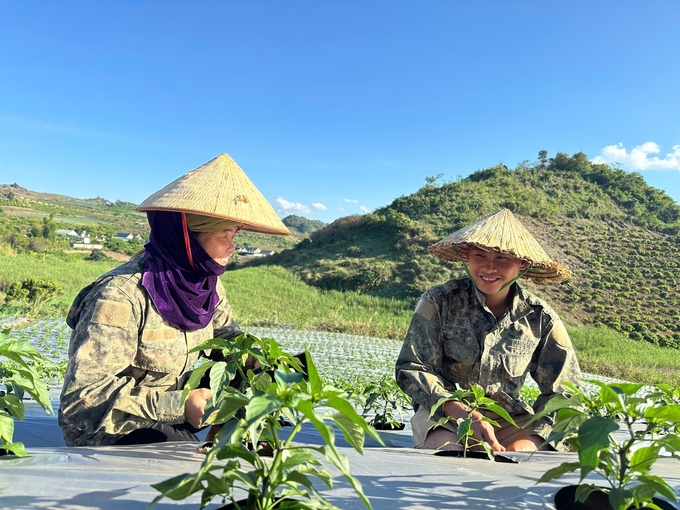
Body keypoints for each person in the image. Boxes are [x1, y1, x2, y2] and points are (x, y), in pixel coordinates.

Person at [58, 154, 291, 447]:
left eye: (235, 236)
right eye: (224, 235)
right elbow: (83, 401)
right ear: (187, 238)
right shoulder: (120, 296)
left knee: (248, 375)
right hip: (110, 428)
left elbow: (228, 337)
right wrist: (179, 404)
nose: (233, 247)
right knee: (175, 449)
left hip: (171, 407)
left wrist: (260, 358)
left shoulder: (205, 284)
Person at [395, 209, 581, 452]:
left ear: (522, 264)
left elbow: (564, 393)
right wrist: (462, 413)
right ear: (466, 256)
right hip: (445, 413)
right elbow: (412, 368)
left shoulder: (540, 318)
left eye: (503, 258)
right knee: (447, 451)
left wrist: (528, 444)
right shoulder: (439, 301)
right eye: (480, 255)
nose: (489, 267)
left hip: (508, 418)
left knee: (529, 457)